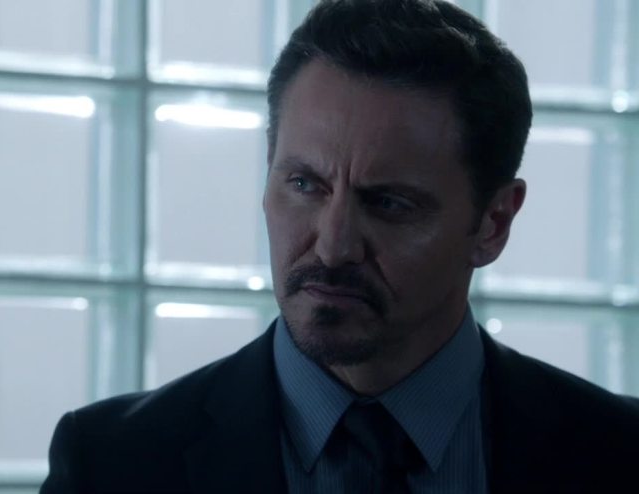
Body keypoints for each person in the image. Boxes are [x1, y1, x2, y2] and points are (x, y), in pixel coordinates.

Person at [41, 0, 639, 492]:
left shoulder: (619, 456)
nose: (332, 248)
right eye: (304, 185)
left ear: (494, 223)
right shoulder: (112, 465)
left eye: (389, 203)